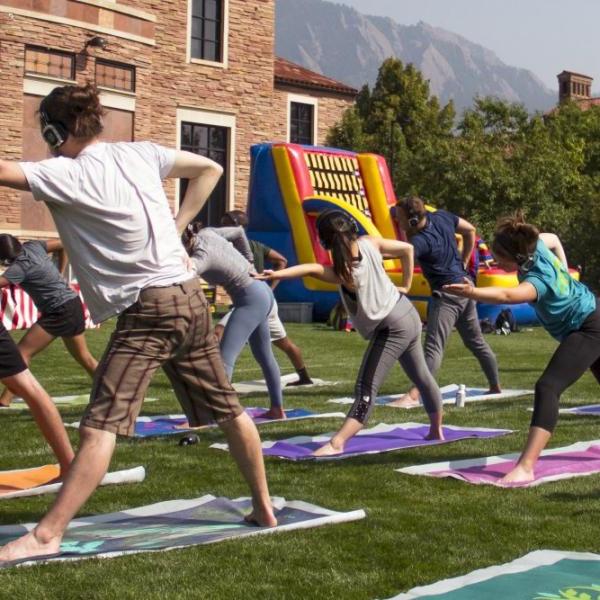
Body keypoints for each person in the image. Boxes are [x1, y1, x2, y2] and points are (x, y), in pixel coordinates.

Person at [0, 83, 275, 563]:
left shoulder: (64, 173)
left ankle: (47, 534)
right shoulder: (140, 153)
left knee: (101, 424)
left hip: (149, 310)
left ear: (51, 129)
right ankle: (264, 508)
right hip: (190, 300)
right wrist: (178, 220)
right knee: (230, 411)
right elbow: (210, 168)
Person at [256, 209, 444, 456]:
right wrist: (406, 284)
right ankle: (436, 431)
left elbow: (311, 269)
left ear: (324, 241)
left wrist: (276, 273)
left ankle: (337, 443)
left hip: (392, 326)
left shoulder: (343, 273)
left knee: (366, 388)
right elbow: (407, 250)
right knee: (422, 377)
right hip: (408, 314)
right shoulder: (369, 244)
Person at [444, 211, 597, 485]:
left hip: (588, 326)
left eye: (498, 256)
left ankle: (526, 466)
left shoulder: (538, 279)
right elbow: (554, 239)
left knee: (548, 387)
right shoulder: (535, 246)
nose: (494, 260)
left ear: (515, 257)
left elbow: (507, 295)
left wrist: (472, 293)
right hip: (591, 315)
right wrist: (565, 270)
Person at [391, 196, 501, 408]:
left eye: (401, 218)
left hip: (447, 295)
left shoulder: (419, 241)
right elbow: (470, 230)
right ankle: (495, 385)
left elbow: (405, 255)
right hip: (465, 287)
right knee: (476, 342)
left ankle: (414, 395)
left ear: (413, 220)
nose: (398, 222)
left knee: (434, 347)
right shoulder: (442, 217)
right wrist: (466, 260)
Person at [182, 222, 285, 419]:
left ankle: (210, 414)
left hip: (251, 300)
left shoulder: (200, 257)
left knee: (223, 359)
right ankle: (277, 409)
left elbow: (183, 275)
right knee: (264, 355)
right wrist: (249, 262)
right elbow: (238, 231)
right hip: (261, 292)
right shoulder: (208, 233)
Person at [216, 210, 313, 386]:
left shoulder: (242, 247)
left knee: (219, 332)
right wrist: (269, 289)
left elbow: (282, 261)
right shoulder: (249, 245)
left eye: (225, 224)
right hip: (260, 300)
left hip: (253, 301)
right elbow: (281, 261)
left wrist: (270, 286)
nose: (221, 228)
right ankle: (304, 376)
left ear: (238, 227)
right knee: (281, 344)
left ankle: (218, 380)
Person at [0, 234, 98, 407]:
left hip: (59, 311)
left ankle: (5, 400)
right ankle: (110, 393)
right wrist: (61, 273)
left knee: (22, 353)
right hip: (72, 305)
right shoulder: (33, 246)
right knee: (84, 357)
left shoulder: (19, 268)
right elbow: (63, 243)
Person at [0, 321, 74, 476]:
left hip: (60, 311)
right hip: (59, 310)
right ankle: (69, 466)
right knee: (27, 383)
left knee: (27, 380)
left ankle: (69, 466)